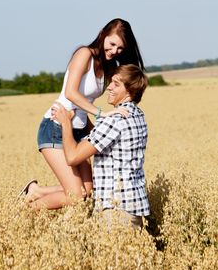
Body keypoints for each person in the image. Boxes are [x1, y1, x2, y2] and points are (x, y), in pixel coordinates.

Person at [19, 19, 145, 208]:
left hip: (78, 131)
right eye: (112, 44)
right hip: (56, 126)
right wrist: (102, 114)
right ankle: (23, 211)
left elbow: (118, 87)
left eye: (120, 49)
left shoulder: (109, 66)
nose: (114, 51)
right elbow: (71, 92)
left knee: (88, 193)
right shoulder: (84, 54)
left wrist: (97, 131)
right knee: (75, 195)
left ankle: (36, 191)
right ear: (103, 34)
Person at [26, 64, 150, 229]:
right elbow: (105, 138)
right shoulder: (138, 115)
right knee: (83, 190)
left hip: (116, 212)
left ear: (129, 91)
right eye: (111, 82)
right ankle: (37, 192)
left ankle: (25, 210)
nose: (109, 87)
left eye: (116, 84)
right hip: (135, 206)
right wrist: (84, 118)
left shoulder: (115, 120)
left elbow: (72, 157)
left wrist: (66, 123)